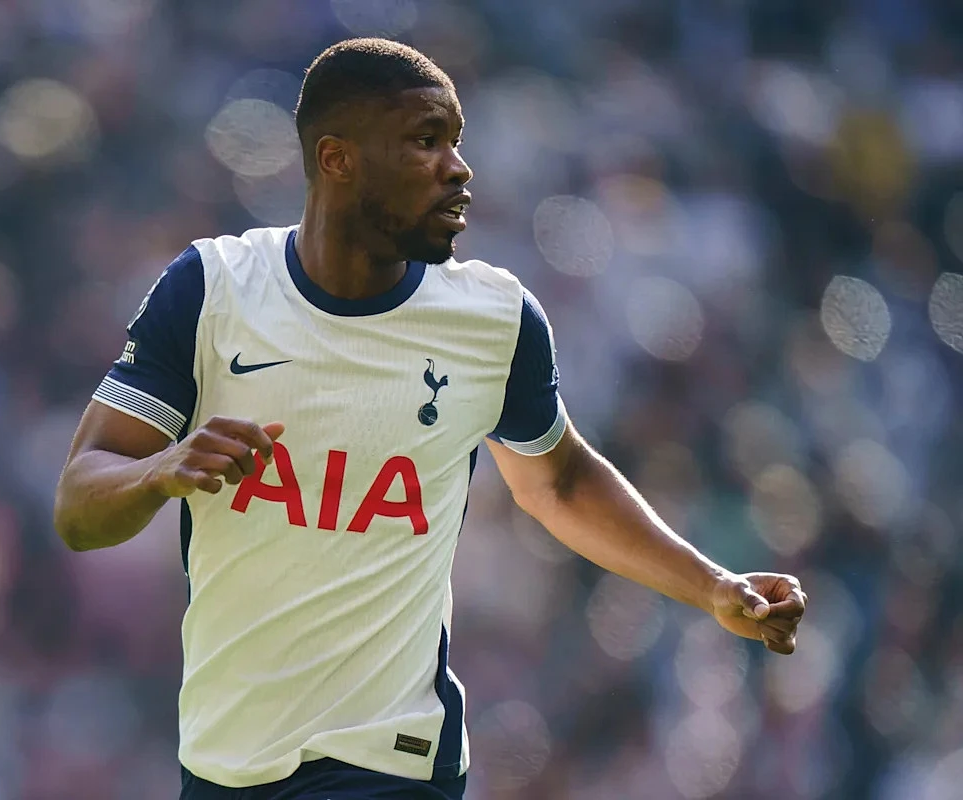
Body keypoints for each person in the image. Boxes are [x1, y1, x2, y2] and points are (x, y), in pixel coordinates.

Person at [53, 37, 807, 800]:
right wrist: (158, 471)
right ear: (337, 159)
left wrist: (713, 586)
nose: (458, 168)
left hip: (393, 759)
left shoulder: (494, 319)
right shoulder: (212, 291)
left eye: (456, 141)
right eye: (425, 140)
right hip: (224, 761)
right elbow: (80, 505)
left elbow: (562, 483)